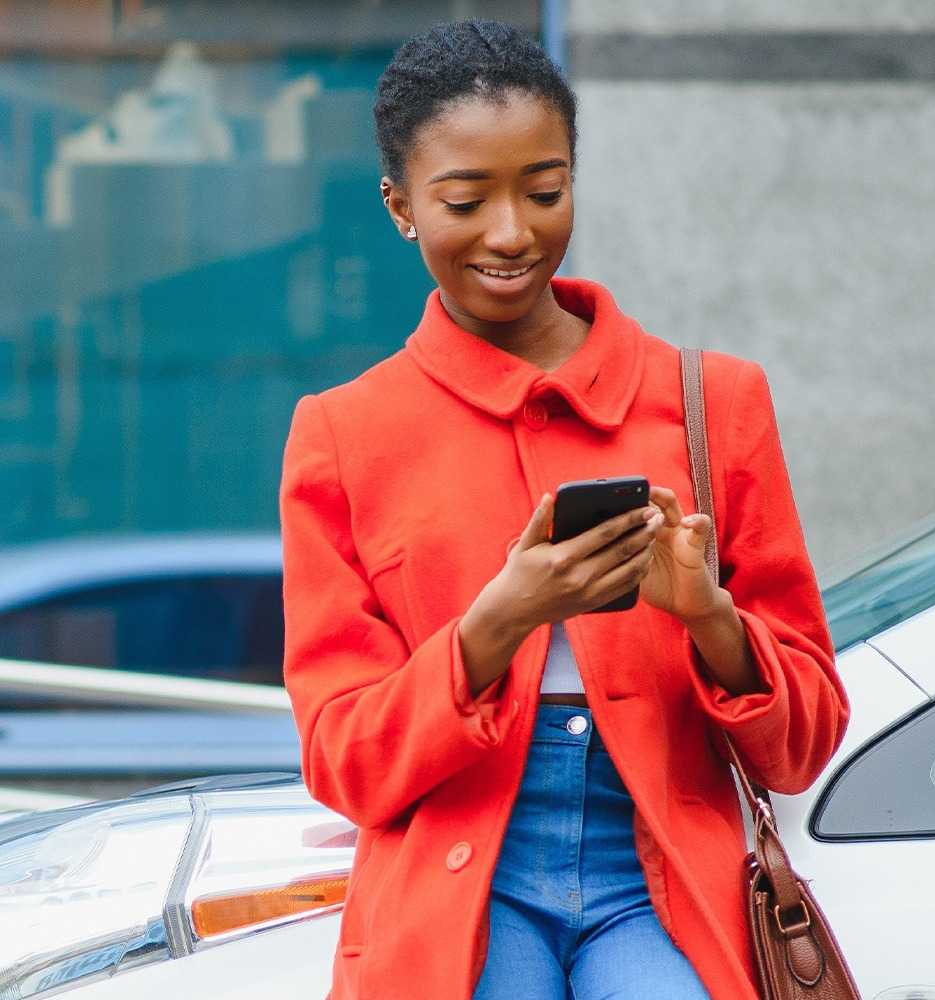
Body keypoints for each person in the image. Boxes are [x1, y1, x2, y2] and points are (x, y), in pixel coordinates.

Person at [280, 19, 850, 1000]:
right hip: (462, 877)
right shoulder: (343, 431)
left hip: (661, 869)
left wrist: (709, 619)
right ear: (400, 207)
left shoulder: (714, 402)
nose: (512, 233)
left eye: (545, 191)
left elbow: (801, 744)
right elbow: (345, 762)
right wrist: (496, 624)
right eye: (466, 199)